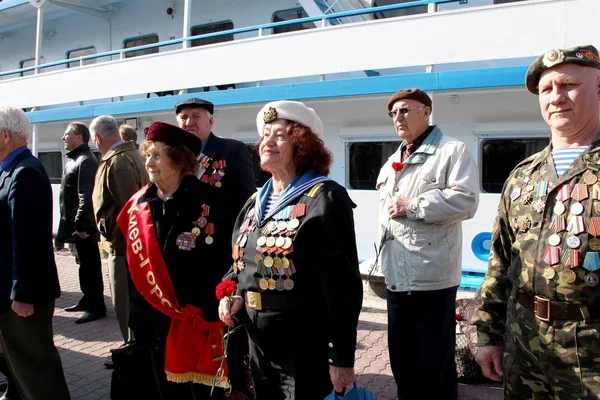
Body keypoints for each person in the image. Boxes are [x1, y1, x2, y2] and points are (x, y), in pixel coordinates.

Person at [473, 45, 600, 397]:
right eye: (546, 89)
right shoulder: (523, 176)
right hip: (524, 346)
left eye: (568, 84)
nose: (556, 97)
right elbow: (500, 262)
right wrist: (488, 335)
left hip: (591, 356)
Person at [219, 100, 363, 399]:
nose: (267, 142)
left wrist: (342, 357)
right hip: (257, 338)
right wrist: (230, 292)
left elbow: (342, 285)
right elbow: (240, 264)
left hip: (302, 342)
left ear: (301, 145)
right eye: (265, 135)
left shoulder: (325, 198)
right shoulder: (254, 201)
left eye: (280, 135)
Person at [117, 121, 231, 399]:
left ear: (179, 160)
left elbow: (222, 261)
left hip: (192, 320)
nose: (149, 162)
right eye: (147, 155)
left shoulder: (209, 200)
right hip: (150, 320)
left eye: (157, 155)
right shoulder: (139, 203)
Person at [376, 88, 479, 399]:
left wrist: (416, 205)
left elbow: (466, 201)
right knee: (403, 367)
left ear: (426, 111)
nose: (398, 117)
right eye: (393, 113)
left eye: (405, 110)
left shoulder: (452, 151)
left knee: (435, 369)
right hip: (396, 281)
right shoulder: (393, 160)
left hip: (431, 282)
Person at [175, 97, 256, 394]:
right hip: (186, 260)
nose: (189, 121)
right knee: (192, 326)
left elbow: (247, 205)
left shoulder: (231, 151)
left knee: (227, 325)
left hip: (221, 257)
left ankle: (235, 383)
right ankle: (198, 379)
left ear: (210, 121)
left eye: (196, 116)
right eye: (183, 117)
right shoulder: (173, 155)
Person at [0, 105, 71, 400]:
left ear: (4, 135)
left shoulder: (24, 173)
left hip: (22, 296)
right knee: (19, 368)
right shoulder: (12, 170)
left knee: (37, 372)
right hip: (11, 290)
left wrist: (23, 294)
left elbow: (27, 241)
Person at [91, 115, 148, 347]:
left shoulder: (117, 161)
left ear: (96, 138)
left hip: (122, 246)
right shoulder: (130, 154)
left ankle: (130, 348)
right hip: (126, 244)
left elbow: (128, 209)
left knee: (124, 301)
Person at [57, 121, 107, 324]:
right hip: (75, 227)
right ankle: (87, 300)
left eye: (66, 134)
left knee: (90, 266)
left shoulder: (85, 161)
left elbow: (85, 196)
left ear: (79, 137)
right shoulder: (74, 159)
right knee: (82, 265)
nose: (63, 138)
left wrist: (81, 226)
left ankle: (96, 307)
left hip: (83, 228)